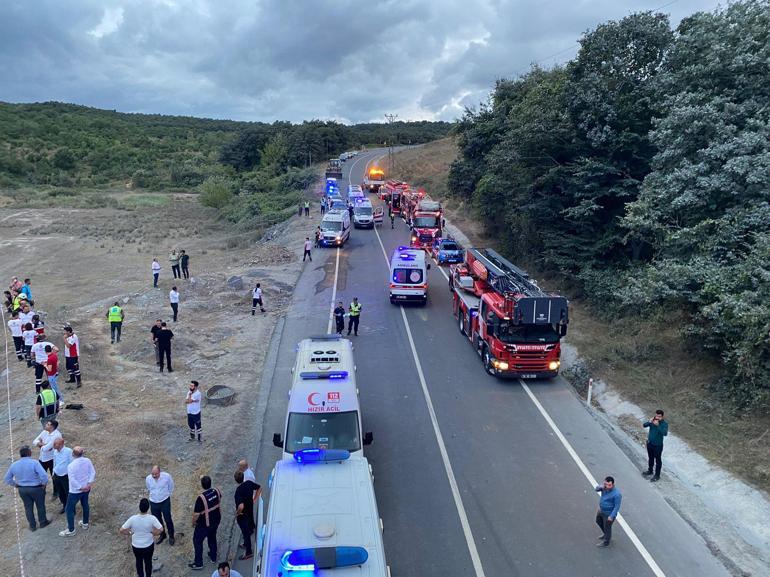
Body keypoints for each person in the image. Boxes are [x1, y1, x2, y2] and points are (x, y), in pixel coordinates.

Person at [4, 445, 50, 531]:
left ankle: (32, 526)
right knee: (40, 506)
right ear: (29, 453)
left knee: (28, 507)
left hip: (22, 489)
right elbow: (44, 475)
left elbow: (7, 479)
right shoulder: (34, 463)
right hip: (36, 488)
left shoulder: (14, 465)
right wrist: (44, 484)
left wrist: (15, 484)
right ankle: (43, 522)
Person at [120, 498, 163, 577]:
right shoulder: (152, 518)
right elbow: (161, 529)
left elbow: (122, 530)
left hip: (136, 546)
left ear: (139, 507)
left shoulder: (133, 518)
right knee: (148, 562)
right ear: (148, 508)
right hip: (148, 545)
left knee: (139, 562)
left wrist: (130, 533)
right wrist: (154, 533)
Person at [60, 446, 95, 536]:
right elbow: (92, 472)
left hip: (75, 491)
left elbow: (72, 479)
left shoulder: (71, 465)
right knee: (85, 504)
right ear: (82, 453)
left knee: (69, 509)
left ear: (73, 454)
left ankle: (71, 530)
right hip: (87, 488)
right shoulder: (87, 460)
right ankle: (85, 523)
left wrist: (80, 488)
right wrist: (89, 484)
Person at [189, 475, 222, 570]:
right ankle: (213, 556)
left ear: (202, 485)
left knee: (197, 541)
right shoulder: (216, 491)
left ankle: (198, 563)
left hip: (204, 524)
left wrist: (193, 523)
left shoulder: (201, 498)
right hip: (216, 521)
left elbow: (196, 515)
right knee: (212, 537)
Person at [233, 470, 261, 561]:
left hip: (243, 514)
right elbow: (259, 487)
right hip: (250, 509)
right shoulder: (249, 483)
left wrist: (237, 512)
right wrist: (255, 498)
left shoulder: (238, 491)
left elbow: (241, 506)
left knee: (245, 533)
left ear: (236, 480)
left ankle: (248, 551)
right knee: (249, 526)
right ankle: (246, 543)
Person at [146, 466, 175, 546]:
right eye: (153, 474)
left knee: (168, 519)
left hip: (165, 501)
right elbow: (148, 488)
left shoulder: (167, 477)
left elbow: (171, 487)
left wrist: (167, 495)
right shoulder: (148, 479)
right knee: (157, 521)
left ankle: (171, 536)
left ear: (160, 472)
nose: (154, 476)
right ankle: (162, 535)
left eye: (156, 474)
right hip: (153, 502)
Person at [33, 419, 62, 498]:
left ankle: (56, 492)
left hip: (52, 458)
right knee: (41, 475)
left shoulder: (57, 435)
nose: (45, 425)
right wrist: (42, 444)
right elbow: (34, 441)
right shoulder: (44, 432)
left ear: (52, 427)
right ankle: (42, 491)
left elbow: (46, 448)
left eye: (48, 424)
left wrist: (40, 445)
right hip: (42, 458)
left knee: (54, 476)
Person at [595, 476, 622, 547]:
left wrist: (611, 516)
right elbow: (596, 489)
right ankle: (606, 535)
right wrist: (601, 487)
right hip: (601, 510)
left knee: (607, 527)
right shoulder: (604, 488)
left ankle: (606, 542)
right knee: (598, 521)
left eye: (609, 485)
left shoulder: (617, 494)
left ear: (613, 484)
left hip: (609, 514)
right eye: (606, 484)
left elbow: (617, 506)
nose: (607, 486)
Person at [643, 410, 669, 482]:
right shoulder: (653, 421)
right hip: (650, 443)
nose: (657, 417)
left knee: (658, 460)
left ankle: (657, 475)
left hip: (658, 445)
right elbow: (644, 425)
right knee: (650, 458)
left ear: (662, 417)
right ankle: (650, 470)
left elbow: (665, 433)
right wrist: (649, 421)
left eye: (659, 416)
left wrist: (658, 426)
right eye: (657, 416)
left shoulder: (664, 424)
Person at [52, 437, 73, 513]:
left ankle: (71, 508)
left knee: (68, 492)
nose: (54, 445)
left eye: (56, 444)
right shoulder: (55, 452)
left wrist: (70, 476)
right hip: (57, 475)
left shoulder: (68, 451)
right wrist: (53, 473)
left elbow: (71, 463)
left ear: (61, 444)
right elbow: (55, 462)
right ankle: (64, 505)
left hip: (65, 475)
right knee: (60, 492)